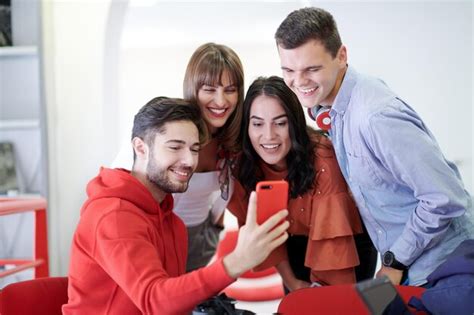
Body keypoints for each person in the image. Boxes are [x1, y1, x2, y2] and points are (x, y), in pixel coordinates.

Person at [274, 7, 474, 286]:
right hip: (400, 266)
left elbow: (444, 197)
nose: (299, 81)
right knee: (364, 304)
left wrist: (396, 260)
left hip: (441, 268)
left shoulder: (376, 116)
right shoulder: (331, 105)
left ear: (341, 56)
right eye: (289, 70)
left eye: (312, 69)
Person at [63, 97, 289, 315]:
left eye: (194, 149)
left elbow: (171, 303)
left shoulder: (172, 223)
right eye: (175, 147)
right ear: (141, 148)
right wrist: (236, 262)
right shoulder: (114, 216)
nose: (189, 161)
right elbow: (155, 301)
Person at [112, 43, 244, 271]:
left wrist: (215, 229)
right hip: (156, 236)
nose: (221, 101)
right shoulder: (166, 127)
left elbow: (227, 194)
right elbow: (120, 184)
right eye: (210, 89)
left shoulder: (234, 140)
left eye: (230, 90)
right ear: (194, 88)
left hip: (201, 240)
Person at [227, 76, 362, 291]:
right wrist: (291, 282)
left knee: (346, 306)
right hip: (292, 247)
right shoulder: (244, 165)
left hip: (343, 246)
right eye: (258, 124)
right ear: (247, 126)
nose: (269, 136)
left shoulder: (323, 160)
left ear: (295, 123)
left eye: (280, 123)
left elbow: (332, 250)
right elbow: (265, 233)